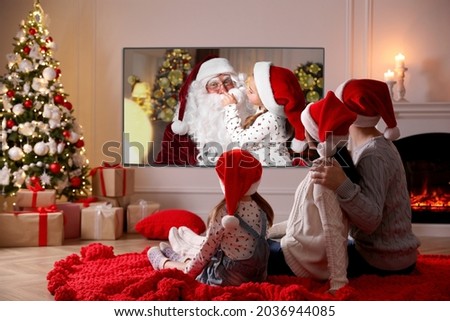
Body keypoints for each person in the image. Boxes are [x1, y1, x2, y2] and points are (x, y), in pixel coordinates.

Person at [310, 79, 421, 278]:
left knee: (298, 260)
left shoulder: (374, 154)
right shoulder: (371, 146)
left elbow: (371, 220)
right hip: (387, 254)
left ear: (350, 115)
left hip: (383, 260)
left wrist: (341, 184)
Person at [267, 91, 359, 293]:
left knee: (237, 250)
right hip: (303, 252)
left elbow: (332, 229)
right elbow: (304, 222)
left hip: (304, 261)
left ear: (315, 135)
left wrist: (338, 283)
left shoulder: (324, 175)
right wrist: (268, 231)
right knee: (252, 240)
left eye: (305, 128)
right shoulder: (337, 164)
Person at [148, 148, 274, 286]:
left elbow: (205, 253)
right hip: (256, 277)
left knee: (199, 263)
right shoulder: (263, 209)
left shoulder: (225, 213)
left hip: (226, 278)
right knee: (216, 254)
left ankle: (164, 262)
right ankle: (180, 257)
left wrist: (188, 274)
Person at [154, 57, 253, 166]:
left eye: (227, 81)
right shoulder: (178, 134)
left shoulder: (255, 121)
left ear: (236, 84)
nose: (223, 90)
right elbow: (165, 169)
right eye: (214, 84)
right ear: (202, 92)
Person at [221, 61, 307, 166]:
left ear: (266, 98)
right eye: (247, 86)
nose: (246, 91)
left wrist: (230, 108)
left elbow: (241, 141)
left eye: (251, 91)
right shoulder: (263, 111)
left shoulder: (271, 118)